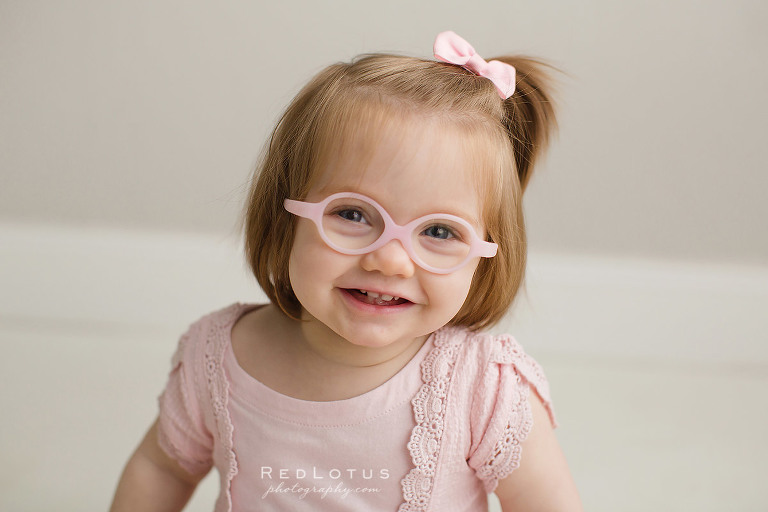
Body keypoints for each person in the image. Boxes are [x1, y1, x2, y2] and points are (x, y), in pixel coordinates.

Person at [110, 31, 582, 511]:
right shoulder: (218, 360)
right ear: (285, 214)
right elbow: (160, 469)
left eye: (439, 232)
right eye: (353, 215)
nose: (390, 260)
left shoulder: (479, 387)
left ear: (485, 257)